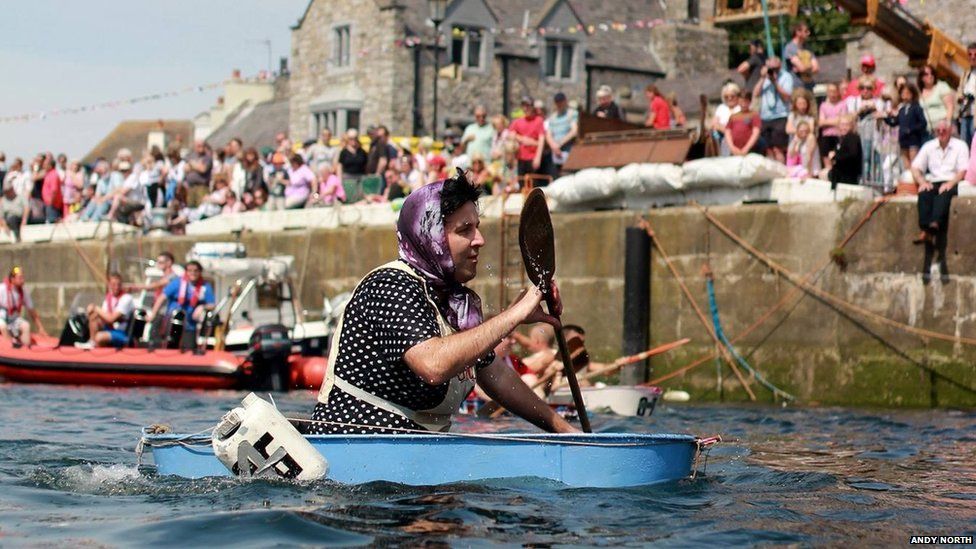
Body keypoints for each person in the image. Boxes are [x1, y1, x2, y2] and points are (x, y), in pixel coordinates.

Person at [308, 170, 577, 435]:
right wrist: (515, 314)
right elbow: (434, 365)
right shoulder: (390, 284)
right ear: (431, 235)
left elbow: (497, 376)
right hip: (353, 451)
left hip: (416, 457)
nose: (480, 240)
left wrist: (564, 431)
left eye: (477, 228)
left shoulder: (455, 305)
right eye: (465, 230)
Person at [910, 119, 969, 245]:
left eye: (944, 130)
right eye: (938, 130)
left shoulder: (960, 145)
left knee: (944, 194)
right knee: (925, 193)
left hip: (952, 180)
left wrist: (950, 183)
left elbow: (963, 170)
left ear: (950, 131)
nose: (941, 133)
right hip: (934, 180)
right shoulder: (929, 146)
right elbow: (915, 167)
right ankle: (926, 229)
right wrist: (922, 182)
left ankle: (933, 226)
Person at [147, 260, 215, 347]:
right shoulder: (177, 282)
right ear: (186, 271)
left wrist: (202, 307)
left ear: (200, 272)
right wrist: (152, 315)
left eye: (195, 270)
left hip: (190, 325)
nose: (192, 273)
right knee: (170, 346)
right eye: (190, 270)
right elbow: (161, 298)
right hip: (172, 324)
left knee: (189, 348)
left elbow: (212, 304)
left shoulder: (205, 286)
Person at [77, 272, 135, 349]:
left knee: (98, 337)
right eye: (114, 284)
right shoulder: (109, 298)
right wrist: (91, 313)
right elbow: (103, 316)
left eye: (119, 284)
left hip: (121, 333)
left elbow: (111, 319)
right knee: (94, 316)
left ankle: (101, 351)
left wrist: (95, 308)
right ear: (109, 285)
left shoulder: (126, 298)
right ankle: (91, 342)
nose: (116, 287)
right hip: (109, 329)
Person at [847, 76, 887, 185]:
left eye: (868, 88)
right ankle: (864, 182)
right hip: (860, 136)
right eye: (862, 88)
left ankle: (878, 183)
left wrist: (874, 109)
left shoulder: (878, 102)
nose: (865, 91)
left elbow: (882, 115)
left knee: (877, 161)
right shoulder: (853, 101)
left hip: (875, 136)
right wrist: (860, 110)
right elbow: (849, 118)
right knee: (864, 160)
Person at [754, 57, 794, 162]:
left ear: (780, 65)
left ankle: (781, 170)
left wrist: (775, 82)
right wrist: (763, 78)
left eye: (775, 68)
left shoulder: (786, 77)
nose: (773, 70)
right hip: (765, 117)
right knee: (768, 149)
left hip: (780, 116)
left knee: (778, 149)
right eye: (770, 68)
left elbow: (786, 97)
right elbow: (755, 94)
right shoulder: (764, 78)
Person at [0, 267, 47, 346]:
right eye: (20, 278)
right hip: (1, 318)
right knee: (2, 326)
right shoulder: (2, 289)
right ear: (12, 279)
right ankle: (8, 346)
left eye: (23, 277)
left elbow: (31, 310)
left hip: (13, 319)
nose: (23, 280)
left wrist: (40, 328)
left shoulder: (23, 292)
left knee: (26, 326)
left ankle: (25, 350)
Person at [885, 82, 928, 169]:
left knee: (914, 163)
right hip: (903, 140)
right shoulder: (902, 109)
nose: (905, 96)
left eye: (907, 93)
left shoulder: (916, 108)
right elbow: (895, 122)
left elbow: (923, 123)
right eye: (903, 93)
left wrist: (911, 129)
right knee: (906, 164)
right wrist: (886, 118)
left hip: (913, 139)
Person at [509, 97, 545, 177]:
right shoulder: (518, 121)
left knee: (533, 184)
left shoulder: (538, 120)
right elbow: (510, 134)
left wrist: (538, 157)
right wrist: (522, 139)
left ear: (532, 107)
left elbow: (542, 139)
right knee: (522, 184)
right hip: (521, 158)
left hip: (533, 158)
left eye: (528, 106)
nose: (526, 108)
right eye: (524, 106)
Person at [822, 115, 863, 187]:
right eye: (842, 125)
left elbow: (852, 154)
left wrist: (835, 156)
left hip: (848, 174)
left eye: (846, 125)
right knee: (824, 172)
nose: (844, 127)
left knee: (824, 174)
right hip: (842, 171)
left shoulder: (852, 137)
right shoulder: (841, 139)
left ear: (851, 126)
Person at [545, 92, 579, 176]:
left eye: (561, 101)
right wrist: (554, 146)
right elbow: (548, 134)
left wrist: (559, 144)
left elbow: (574, 131)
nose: (559, 104)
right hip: (555, 153)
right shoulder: (552, 117)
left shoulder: (572, 114)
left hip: (568, 151)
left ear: (565, 101)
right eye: (557, 102)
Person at [918, 64, 956, 138]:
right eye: (926, 74)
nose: (930, 76)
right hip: (927, 130)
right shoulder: (920, 92)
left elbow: (950, 107)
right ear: (921, 77)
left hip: (942, 128)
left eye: (932, 73)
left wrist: (948, 123)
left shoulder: (941, 86)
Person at [724, 91, 762, 156]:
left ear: (750, 102)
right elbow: (727, 132)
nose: (743, 104)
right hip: (735, 151)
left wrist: (746, 149)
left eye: (746, 102)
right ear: (738, 101)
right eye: (741, 101)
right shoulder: (733, 116)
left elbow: (755, 133)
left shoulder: (754, 115)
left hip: (750, 151)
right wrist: (732, 148)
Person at [783, 22, 818, 90]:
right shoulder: (790, 48)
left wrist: (804, 68)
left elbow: (816, 68)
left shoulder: (808, 48)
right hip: (797, 88)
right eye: (806, 31)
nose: (808, 33)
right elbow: (802, 68)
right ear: (798, 32)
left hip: (809, 86)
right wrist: (809, 66)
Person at [818, 83, 847, 165]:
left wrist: (827, 121)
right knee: (826, 157)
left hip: (838, 135)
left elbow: (842, 121)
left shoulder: (843, 104)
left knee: (837, 159)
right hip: (826, 136)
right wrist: (835, 120)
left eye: (834, 91)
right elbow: (821, 122)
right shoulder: (823, 106)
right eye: (830, 91)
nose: (833, 94)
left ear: (838, 92)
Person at [712, 82, 742, 153]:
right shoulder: (721, 108)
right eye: (726, 97)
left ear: (737, 96)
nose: (729, 98)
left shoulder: (741, 107)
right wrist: (726, 131)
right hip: (723, 136)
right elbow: (714, 123)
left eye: (732, 96)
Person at [956, 43, 976, 147]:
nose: (973, 57)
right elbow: (960, 89)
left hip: (975, 115)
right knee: (964, 146)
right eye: (970, 54)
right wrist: (961, 97)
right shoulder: (966, 74)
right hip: (965, 114)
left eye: (975, 55)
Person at [184, 140, 213, 208]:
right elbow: (186, 168)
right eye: (199, 146)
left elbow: (203, 169)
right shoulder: (192, 156)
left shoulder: (207, 157)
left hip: (201, 187)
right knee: (190, 208)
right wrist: (196, 165)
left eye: (202, 146)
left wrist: (193, 165)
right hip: (191, 187)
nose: (201, 148)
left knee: (201, 207)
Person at [40, 157, 63, 223]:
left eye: (45, 164)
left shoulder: (54, 175)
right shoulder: (48, 174)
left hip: (53, 205)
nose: (43, 166)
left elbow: (54, 190)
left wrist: (51, 202)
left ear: (50, 165)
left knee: (52, 222)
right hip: (49, 204)